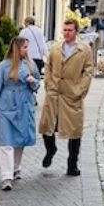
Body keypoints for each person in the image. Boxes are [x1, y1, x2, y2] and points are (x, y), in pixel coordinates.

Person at [38, 18, 94, 177]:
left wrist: (81, 90)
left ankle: (72, 164)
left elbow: (88, 71)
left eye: (69, 30)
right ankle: (51, 150)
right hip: (54, 93)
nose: (66, 33)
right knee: (46, 127)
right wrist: (48, 85)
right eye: (65, 30)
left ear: (76, 31)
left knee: (75, 132)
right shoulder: (56, 49)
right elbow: (47, 68)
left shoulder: (84, 50)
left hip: (72, 94)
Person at [0, 37, 40, 191]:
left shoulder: (30, 64)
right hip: (5, 107)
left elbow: (37, 84)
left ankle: (15, 167)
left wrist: (31, 81)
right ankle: (6, 176)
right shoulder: (3, 66)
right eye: (24, 47)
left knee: (20, 140)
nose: (27, 50)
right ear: (17, 49)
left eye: (27, 47)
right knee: (6, 142)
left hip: (24, 105)